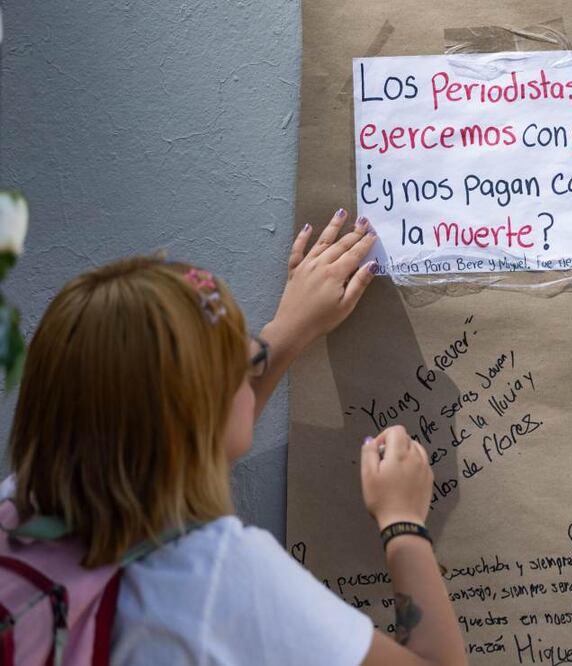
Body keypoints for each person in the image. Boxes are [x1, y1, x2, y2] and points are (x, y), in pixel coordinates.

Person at [6, 209, 469, 665]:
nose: (254, 359)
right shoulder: (212, 581)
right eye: (241, 363)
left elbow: (189, 438)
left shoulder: (17, 502)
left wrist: (286, 332)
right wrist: (402, 522)